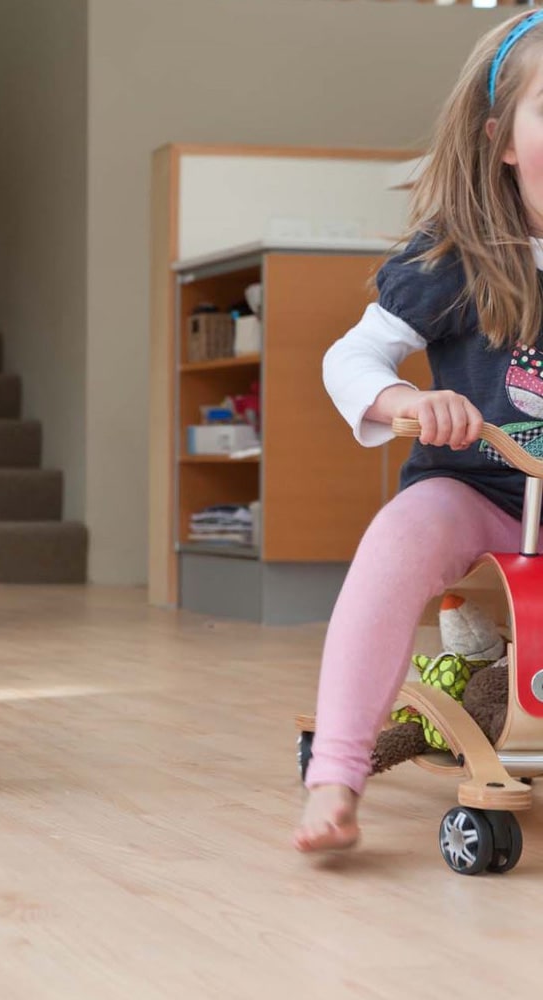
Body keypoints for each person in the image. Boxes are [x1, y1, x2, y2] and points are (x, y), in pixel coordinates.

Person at [295, 9, 543, 852]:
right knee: (400, 537)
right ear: (502, 140)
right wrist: (407, 404)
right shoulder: (462, 256)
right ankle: (336, 770)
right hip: (472, 488)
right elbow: (351, 360)